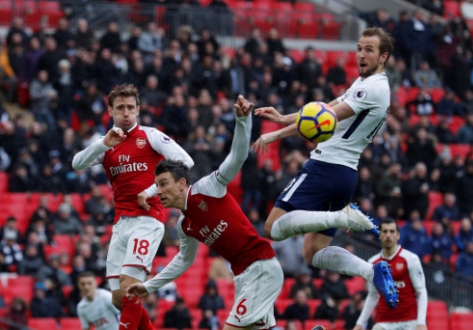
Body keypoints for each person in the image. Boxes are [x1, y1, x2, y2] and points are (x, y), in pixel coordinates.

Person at [127, 96, 320, 330]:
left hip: (260, 268)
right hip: (243, 277)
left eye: (164, 183)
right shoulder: (185, 225)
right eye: (157, 185)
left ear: (181, 184)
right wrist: (149, 287)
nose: (159, 191)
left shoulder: (208, 188)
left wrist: (242, 121)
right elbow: (183, 261)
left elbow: (237, 157)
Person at [253, 27, 398, 308]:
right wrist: (283, 120)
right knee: (313, 252)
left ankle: (342, 218)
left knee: (272, 228)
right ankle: (372, 271)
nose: (361, 54)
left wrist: (277, 132)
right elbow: (324, 108)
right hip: (346, 174)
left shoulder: (373, 87)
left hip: (324, 167)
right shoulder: (368, 83)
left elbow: (323, 117)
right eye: (359, 48)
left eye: (369, 49)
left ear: (383, 57)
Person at [72, 83, 194, 330]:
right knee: (120, 299)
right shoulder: (107, 144)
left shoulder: (151, 136)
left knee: (129, 286)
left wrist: (152, 190)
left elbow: (186, 161)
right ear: (110, 111)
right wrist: (103, 143)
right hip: (120, 224)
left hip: (148, 220)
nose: (125, 112)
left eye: (130, 107)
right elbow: (77, 164)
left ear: (138, 110)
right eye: (120, 108)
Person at [354, 219, 427, 330]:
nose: (388, 235)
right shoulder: (372, 263)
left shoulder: (411, 259)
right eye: (385, 231)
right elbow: (373, 296)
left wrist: (421, 323)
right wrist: (360, 324)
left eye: (392, 231)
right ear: (379, 235)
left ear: (398, 236)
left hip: (409, 322)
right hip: (384, 322)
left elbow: (421, 291)